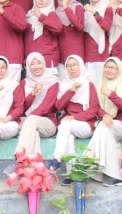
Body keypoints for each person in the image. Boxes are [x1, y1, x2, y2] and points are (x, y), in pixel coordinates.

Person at [46, 55, 100, 186]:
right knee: (68, 137)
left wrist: (75, 117)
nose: (72, 68)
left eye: (75, 65)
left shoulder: (89, 85)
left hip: (86, 125)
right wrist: (71, 90)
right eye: (68, 66)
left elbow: (93, 110)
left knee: (65, 125)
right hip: (70, 125)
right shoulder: (64, 85)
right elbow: (59, 106)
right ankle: (72, 174)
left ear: (81, 66)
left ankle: (57, 158)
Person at [84, 58, 122, 187]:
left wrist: (111, 95)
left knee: (103, 126)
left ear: (119, 70)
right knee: (104, 127)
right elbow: (95, 106)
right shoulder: (98, 85)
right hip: (107, 124)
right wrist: (105, 114)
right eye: (107, 67)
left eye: (113, 68)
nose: (109, 70)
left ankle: (88, 160)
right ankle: (115, 176)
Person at [12, 52, 59, 166]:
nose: (36, 66)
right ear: (28, 66)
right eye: (32, 64)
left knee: (32, 121)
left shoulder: (53, 82)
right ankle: (35, 166)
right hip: (31, 123)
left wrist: (28, 119)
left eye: (39, 63)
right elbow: (22, 107)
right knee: (34, 133)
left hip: (48, 123)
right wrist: (33, 92)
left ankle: (20, 156)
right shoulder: (24, 83)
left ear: (44, 63)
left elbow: (46, 107)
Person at [24, 0, 62, 71]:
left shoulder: (51, 14)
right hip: (31, 59)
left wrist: (41, 16)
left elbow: (58, 29)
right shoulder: (29, 15)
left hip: (47, 58)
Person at [82, 0, 113, 84]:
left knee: (102, 86)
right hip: (88, 55)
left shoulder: (107, 8)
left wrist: (95, 13)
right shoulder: (86, 10)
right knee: (90, 87)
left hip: (101, 55)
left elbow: (106, 26)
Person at [56, 0, 85, 79]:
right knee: (64, 83)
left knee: (77, 81)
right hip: (61, 53)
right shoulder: (56, 11)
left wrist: (67, 8)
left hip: (75, 51)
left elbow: (79, 25)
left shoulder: (78, 6)